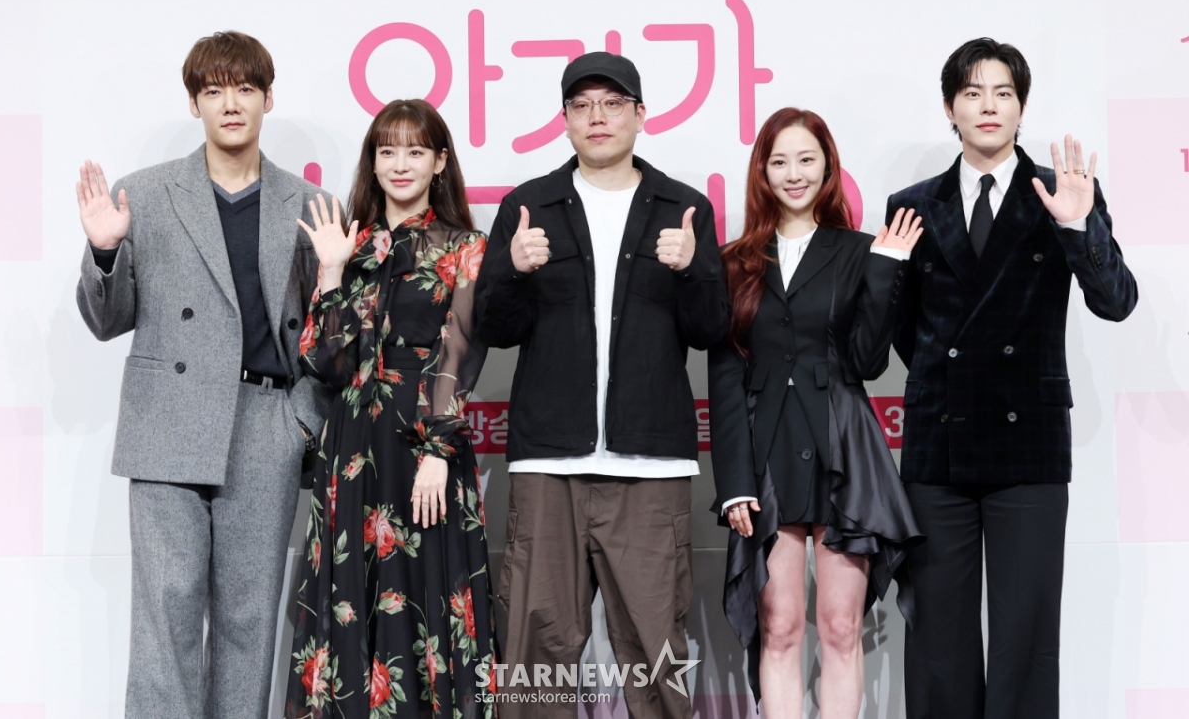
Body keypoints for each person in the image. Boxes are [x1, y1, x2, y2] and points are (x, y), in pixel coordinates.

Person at [75, 31, 330, 718]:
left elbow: (322, 331)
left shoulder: (307, 202)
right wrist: (104, 255)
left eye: (244, 88)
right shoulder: (144, 195)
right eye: (214, 90)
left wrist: (299, 420)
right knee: (167, 615)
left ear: (267, 98)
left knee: (250, 620)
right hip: (169, 420)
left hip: (263, 423)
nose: (231, 103)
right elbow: (108, 321)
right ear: (195, 104)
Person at [887, 38, 1138, 719]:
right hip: (937, 450)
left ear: (1022, 106)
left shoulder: (1062, 192)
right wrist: (947, 384)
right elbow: (904, 330)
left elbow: (1117, 301)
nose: (988, 105)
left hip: (1028, 448)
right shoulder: (912, 204)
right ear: (950, 108)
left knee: (1027, 638)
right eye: (972, 92)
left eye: (1002, 92)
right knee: (938, 635)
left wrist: (1080, 226)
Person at [474, 51, 729, 717]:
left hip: (651, 466)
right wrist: (511, 271)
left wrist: (694, 269)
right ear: (564, 120)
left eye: (613, 104)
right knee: (537, 659)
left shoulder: (683, 208)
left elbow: (711, 331)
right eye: (583, 105)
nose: (598, 117)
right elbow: (497, 329)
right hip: (547, 462)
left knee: (654, 653)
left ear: (640, 115)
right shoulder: (528, 207)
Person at [284, 99, 498, 719]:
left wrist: (437, 450)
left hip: (424, 446)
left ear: (439, 162)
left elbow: (460, 351)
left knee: (428, 594)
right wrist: (329, 272)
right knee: (350, 597)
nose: (399, 164)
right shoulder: (347, 245)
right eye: (387, 151)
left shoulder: (465, 247)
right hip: (351, 449)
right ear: (371, 164)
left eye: (414, 151)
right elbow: (324, 362)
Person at [708, 108, 925, 718]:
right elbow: (725, 378)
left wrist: (885, 271)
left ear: (828, 165)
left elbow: (867, 361)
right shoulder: (735, 261)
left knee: (839, 627)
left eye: (806, 159)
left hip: (843, 447)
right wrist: (733, 486)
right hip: (765, 451)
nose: (794, 173)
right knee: (779, 626)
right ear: (762, 171)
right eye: (779, 161)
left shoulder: (861, 253)